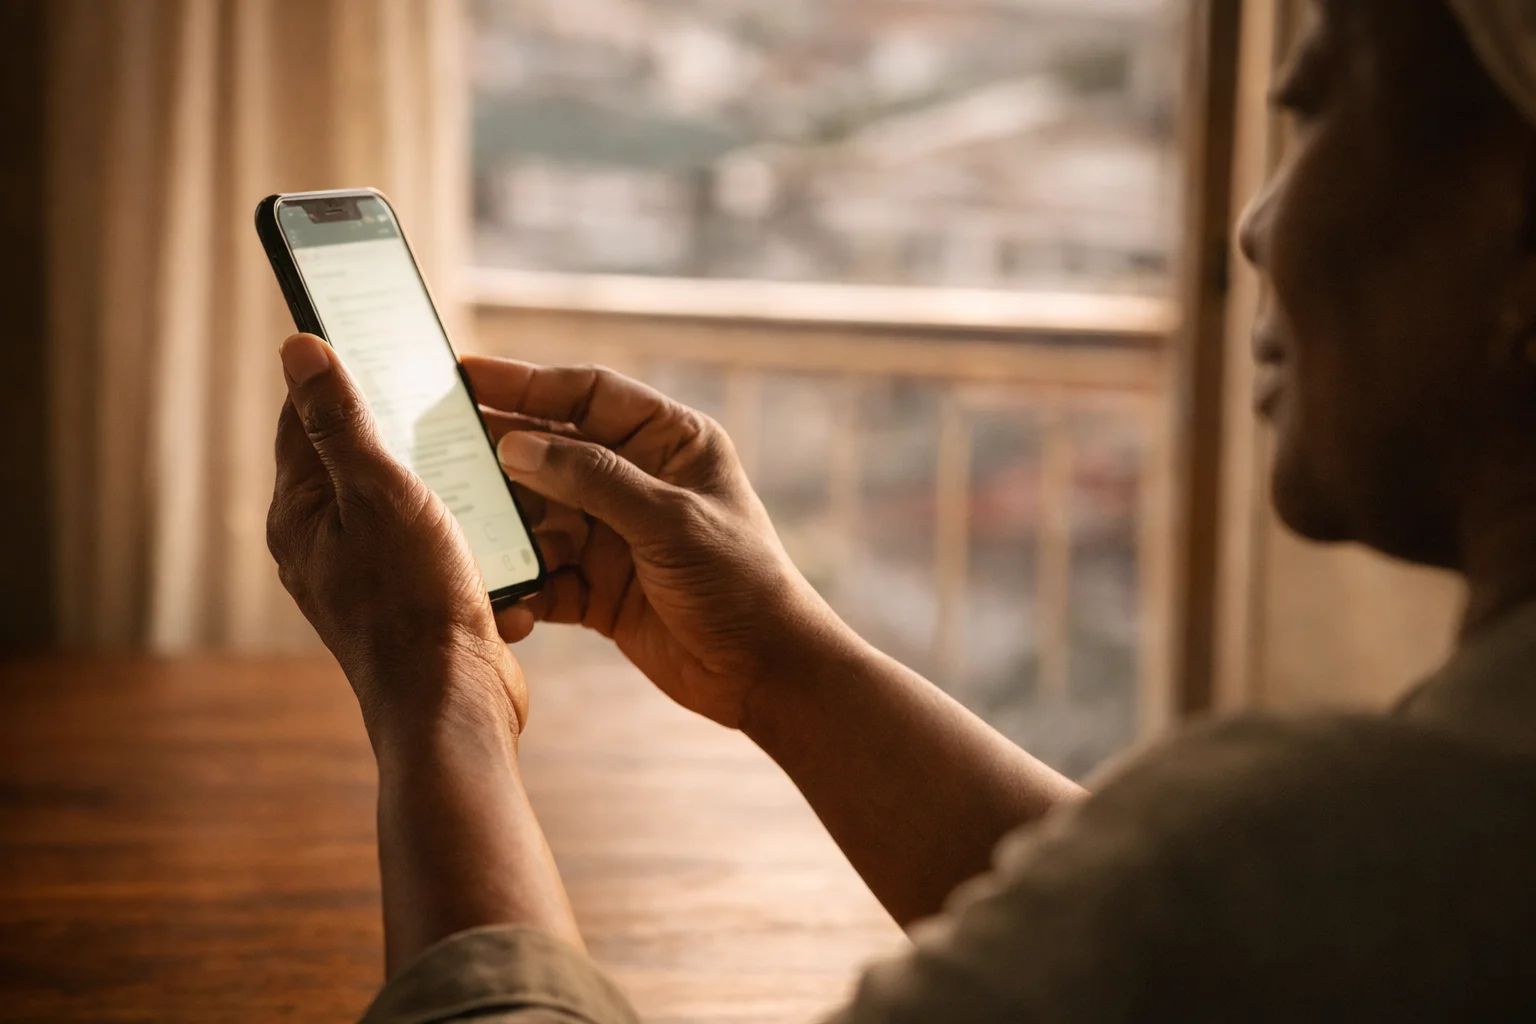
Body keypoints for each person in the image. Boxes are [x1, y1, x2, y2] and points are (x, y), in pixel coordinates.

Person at [263, 1, 1536, 1019]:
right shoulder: (1350, 869)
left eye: (1311, 111)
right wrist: (775, 655)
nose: (1256, 227)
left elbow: (1191, 910)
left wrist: (440, 683)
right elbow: (1174, 949)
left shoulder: (1354, 849)